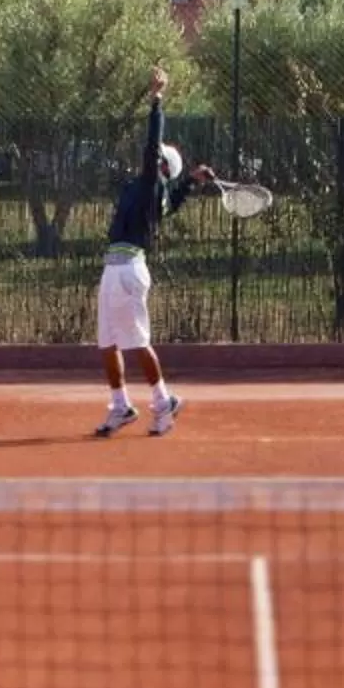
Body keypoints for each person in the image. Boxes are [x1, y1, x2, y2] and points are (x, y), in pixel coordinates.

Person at [95, 65, 223, 437]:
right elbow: (177, 195)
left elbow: (152, 144)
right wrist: (193, 182)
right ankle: (120, 406)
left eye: (157, 158)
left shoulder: (153, 186)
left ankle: (164, 402)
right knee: (107, 342)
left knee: (137, 342)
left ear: (162, 167)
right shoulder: (160, 191)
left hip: (128, 270)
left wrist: (157, 99)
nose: (150, 158)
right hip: (113, 269)